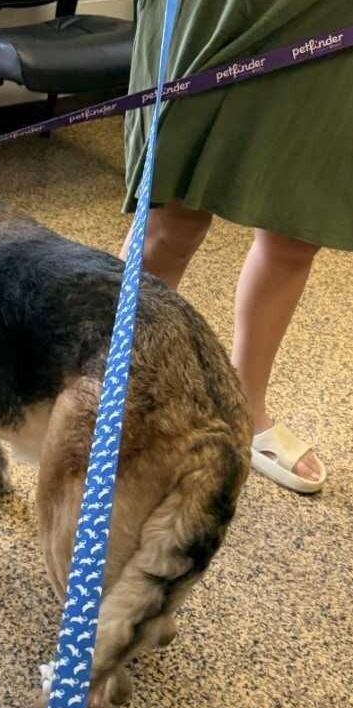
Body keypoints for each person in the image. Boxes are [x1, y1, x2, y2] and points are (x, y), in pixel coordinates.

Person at [122, 0, 352, 493]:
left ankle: (247, 407)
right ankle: (115, 402)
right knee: (171, 217)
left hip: (332, 18)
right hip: (217, 13)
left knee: (295, 228)